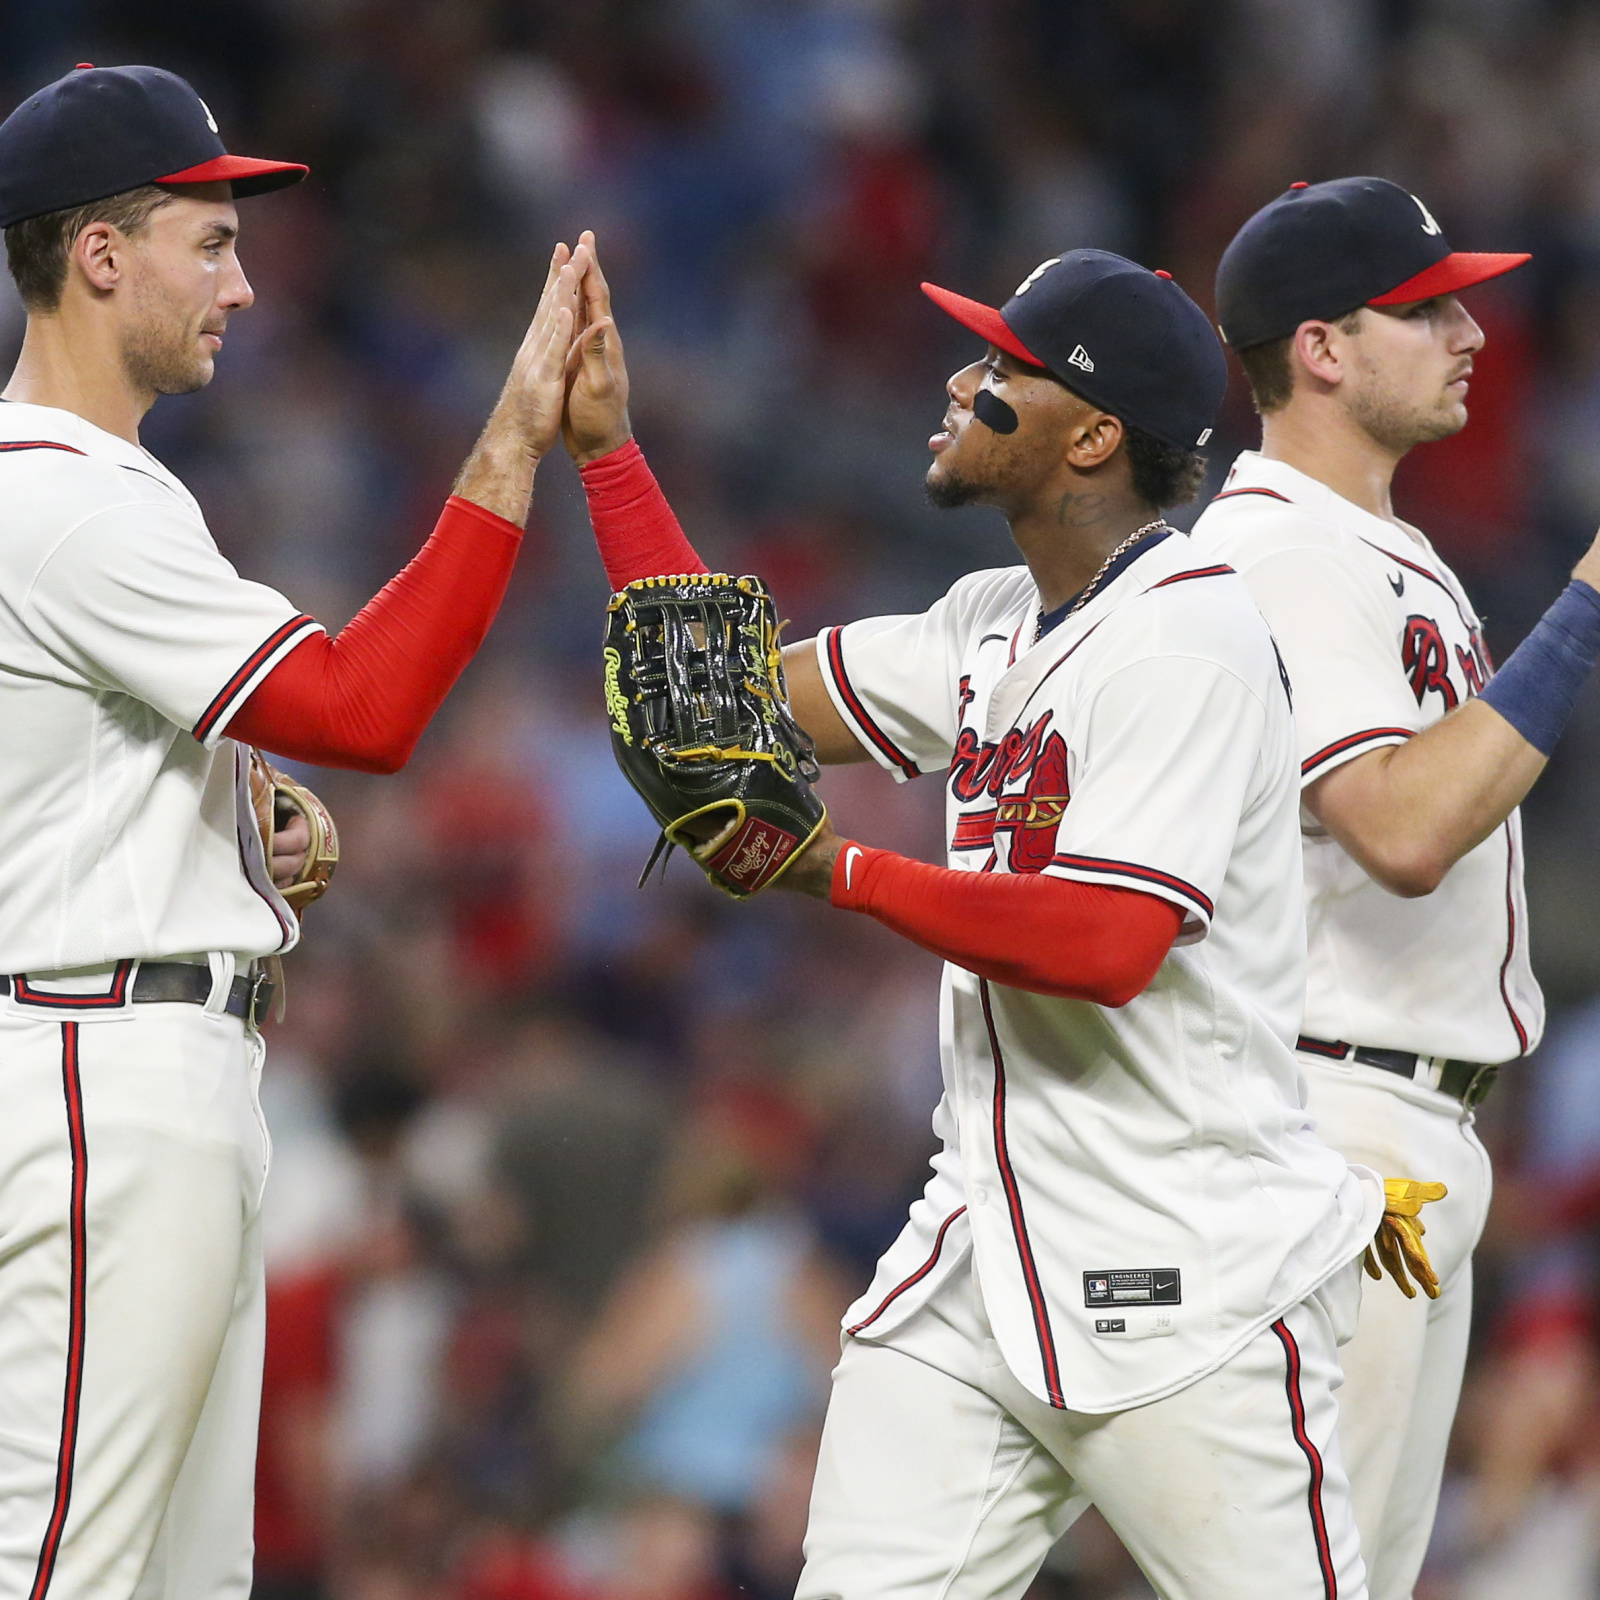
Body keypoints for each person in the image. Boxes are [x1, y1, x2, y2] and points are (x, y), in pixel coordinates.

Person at [559, 233, 1404, 1600]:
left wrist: (839, 872)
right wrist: (609, 451)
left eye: (1007, 365)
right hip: (983, 1255)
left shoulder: (1191, 636)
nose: (963, 379)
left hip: (1187, 1270)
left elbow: (1108, 946)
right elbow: (721, 700)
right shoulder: (991, 620)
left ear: (1091, 438)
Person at [0, 63, 586, 1597]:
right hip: (90, 1076)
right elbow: (365, 707)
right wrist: (516, 437)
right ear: (100, 254)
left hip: (138, 1062)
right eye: (210, 241)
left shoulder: (76, 494)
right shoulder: (63, 495)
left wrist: (228, 833)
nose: (245, 285)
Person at [1189, 175, 1600, 1600]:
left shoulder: (1372, 546)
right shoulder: (1281, 550)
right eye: (1426, 309)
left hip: (1399, 1131)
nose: (1472, 331)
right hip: (1339, 1125)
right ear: (1321, 348)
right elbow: (1402, 828)